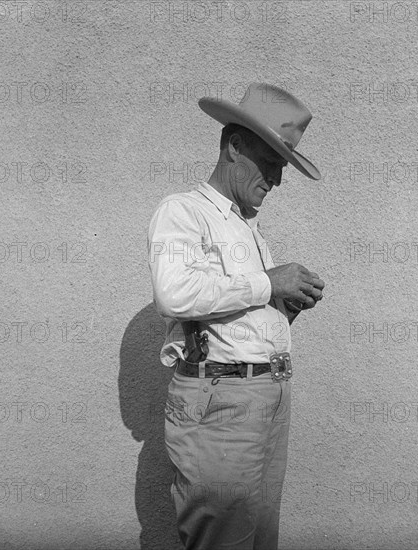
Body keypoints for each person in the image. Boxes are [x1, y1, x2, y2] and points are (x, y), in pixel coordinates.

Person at [147, 82, 325, 550]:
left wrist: (281, 311)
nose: (277, 180)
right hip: (220, 402)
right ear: (235, 146)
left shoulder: (245, 226)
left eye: (282, 167)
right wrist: (271, 282)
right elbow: (174, 294)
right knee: (222, 539)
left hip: (264, 395)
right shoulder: (183, 211)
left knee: (258, 537)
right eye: (271, 163)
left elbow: (228, 312)